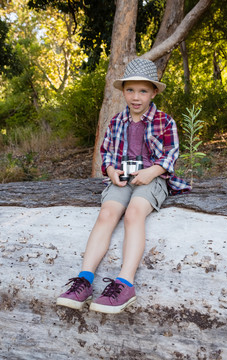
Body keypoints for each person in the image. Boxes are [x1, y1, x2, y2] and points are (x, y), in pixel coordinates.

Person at [56, 58, 191, 314]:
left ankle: (125, 283)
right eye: (130, 90)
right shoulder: (117, 121)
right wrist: (110, 171)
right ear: (123, 91)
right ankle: (84, 280)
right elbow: (106, 152)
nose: (136, 97)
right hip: (123, 178)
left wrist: (153, 171)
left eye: (143, 91)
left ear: (153, 92)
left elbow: (171, 153)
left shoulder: (165, 121)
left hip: (153, 179)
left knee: (133, 214)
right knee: (107, 213)